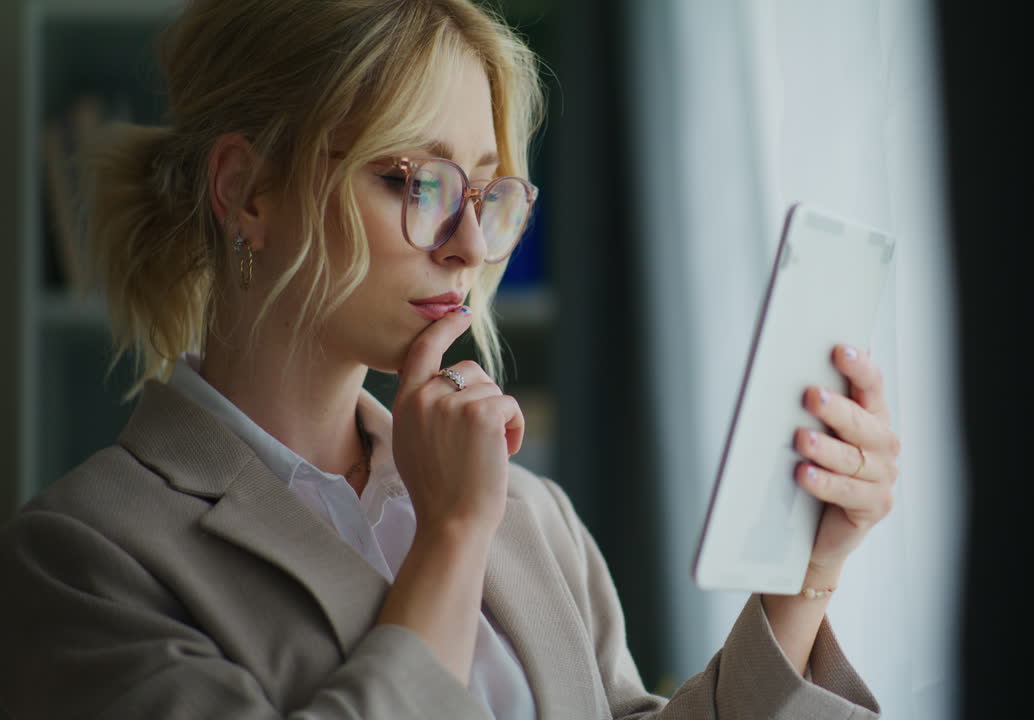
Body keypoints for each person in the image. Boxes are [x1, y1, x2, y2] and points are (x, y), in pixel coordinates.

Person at [0, 1, 900, 718]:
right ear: (246, 191)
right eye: (413, 182)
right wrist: (451, 539)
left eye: (488, 192)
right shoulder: (82, 558)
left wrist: (803, 577)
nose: (471, 243)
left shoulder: (531, 515)